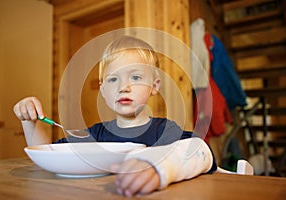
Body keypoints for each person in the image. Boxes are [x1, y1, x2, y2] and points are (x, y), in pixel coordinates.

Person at [13, 35, 217, 197]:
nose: (123, 87)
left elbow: (202, 152)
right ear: (103, 90)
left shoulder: (165, 131)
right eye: (113, 80)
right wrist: (29, 121)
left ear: (154, 87)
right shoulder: (95, 135)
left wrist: (159, 169)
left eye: (135, 77)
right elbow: (49, 154)